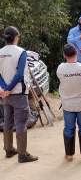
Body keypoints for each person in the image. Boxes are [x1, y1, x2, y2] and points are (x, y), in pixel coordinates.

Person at [0, 26, 38, 163]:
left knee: (7, 122)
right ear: (17, 37)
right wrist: (9, 88)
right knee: (21, 123)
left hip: (5, 95)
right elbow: (20, 74)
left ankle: (9, 150)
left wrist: (4, 88)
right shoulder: (21, 52)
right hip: (19, 93)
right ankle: (22, 155)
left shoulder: (0, 52)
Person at [56, 43, 81, 161]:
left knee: (68, 128)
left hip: (67, 104)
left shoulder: (60, 68)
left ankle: (69, 155)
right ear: (76, 53)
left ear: (64, 55)